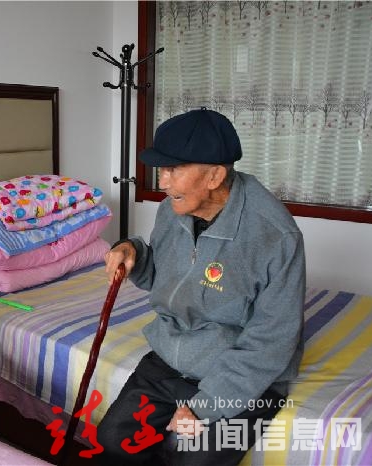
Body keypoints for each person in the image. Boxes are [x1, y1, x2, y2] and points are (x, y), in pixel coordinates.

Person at [97, 108, 305, 465]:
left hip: (240, 375)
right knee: (114, 440)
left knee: (192, 458)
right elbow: (166, 276)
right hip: (171, 359)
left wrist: (205, 406)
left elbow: (272, 341)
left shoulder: (275, 236)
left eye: (173, 170)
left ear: (214, 175)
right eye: (161, 170)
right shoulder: (173, 209)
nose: (163, 182)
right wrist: (134, 252)